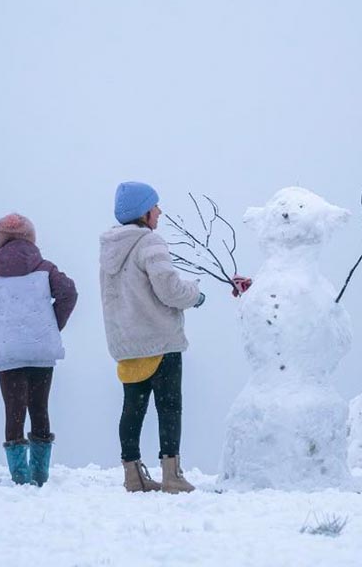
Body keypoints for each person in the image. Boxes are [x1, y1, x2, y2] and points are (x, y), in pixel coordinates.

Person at [99, 181, 250, 493]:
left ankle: (133, 475)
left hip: (127, 343)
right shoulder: (150, 242)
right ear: (144, 212)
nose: (160, 212)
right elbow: (169, 290)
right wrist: (196, 295)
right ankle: (172, 475)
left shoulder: (109, 249)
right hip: (159, 340)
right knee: (169, 407)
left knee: (132, 408)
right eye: (155, 207)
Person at [0, 213, 78, 486]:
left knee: (13, 411)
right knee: (40, 408)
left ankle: (20, 478)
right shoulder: (45, 268)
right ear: (31, 238)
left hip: (8, 353)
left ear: (0, 241)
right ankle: (40, 476)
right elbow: (69, 292)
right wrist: (52, 325)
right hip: (42, 349)